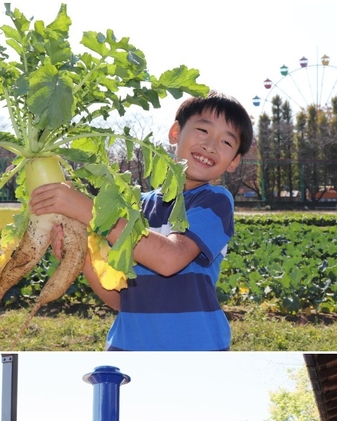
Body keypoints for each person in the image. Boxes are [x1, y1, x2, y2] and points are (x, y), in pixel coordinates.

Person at [29, 91, 254, 351]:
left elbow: (170, 259)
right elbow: (120, 300)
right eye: (203, 130)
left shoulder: (214, 201)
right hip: (127, 347)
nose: (211, 145)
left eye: (227, 143)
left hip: (197, 349)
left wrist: (87, 210)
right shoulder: (133, 207)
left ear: (234, 161)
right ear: (175, 132)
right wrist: (81, 257)